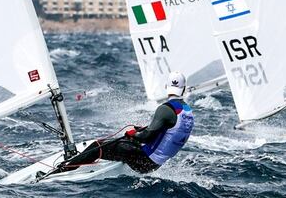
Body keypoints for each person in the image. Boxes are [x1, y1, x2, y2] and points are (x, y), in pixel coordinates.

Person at [47, 71, 195, 176]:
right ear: (183, 88)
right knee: (124, 142)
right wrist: (141, 132)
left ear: (166, 87)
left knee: (98, 146)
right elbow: (167, 132)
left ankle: (61, 171)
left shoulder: (165, 109)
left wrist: (135, 133)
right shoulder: (187, 112)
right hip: (156, 163)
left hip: (145, 162)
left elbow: (146, 137)